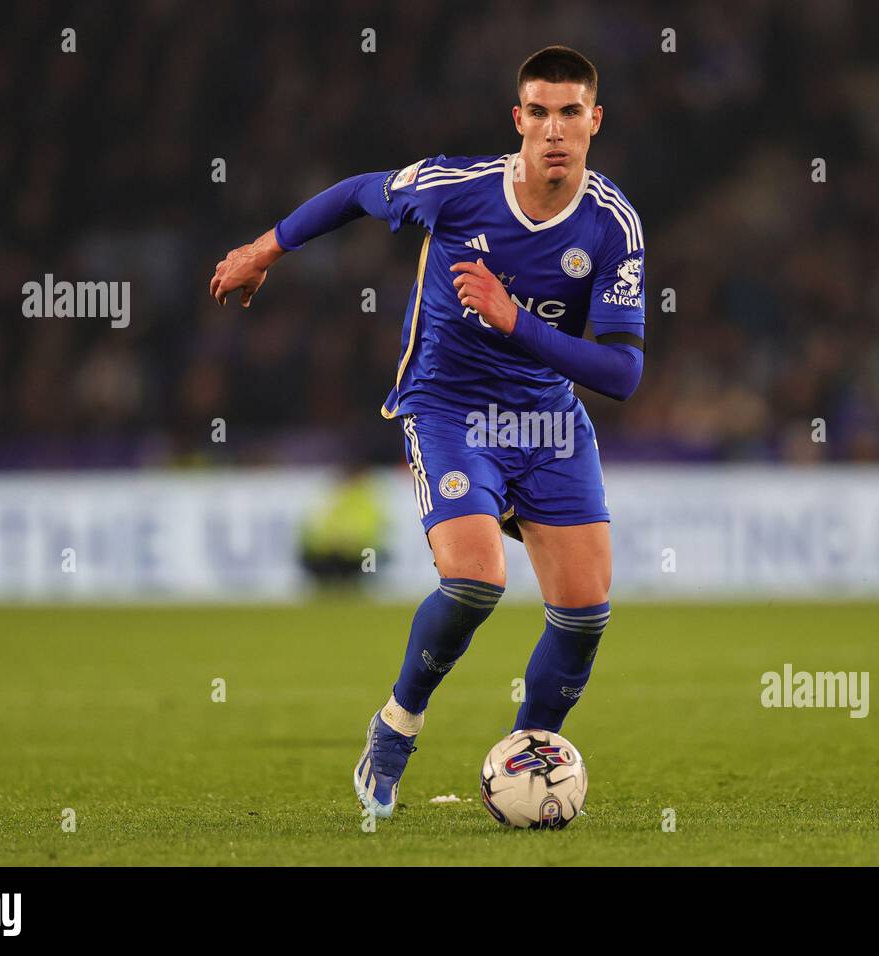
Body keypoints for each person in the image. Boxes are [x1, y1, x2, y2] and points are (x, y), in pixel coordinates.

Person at [209, 45, 645, 820]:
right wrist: (262, 249)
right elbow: (356, 194)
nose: (553, 129)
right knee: (476, 577)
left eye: (569, 113)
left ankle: (529, 759)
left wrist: (513, 322)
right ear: (518, 119)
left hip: (547, 420)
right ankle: (396, 726)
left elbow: (620, 375)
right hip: (448, 409)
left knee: (584, 611)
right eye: (538, 112)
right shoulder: (458, 191)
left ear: (594, 122)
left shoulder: (612, 225)